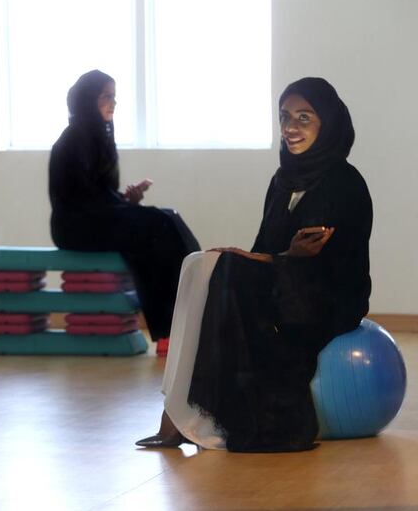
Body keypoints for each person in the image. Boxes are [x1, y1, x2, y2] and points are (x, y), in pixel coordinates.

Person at [136, 77, 371, 452]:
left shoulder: (345, 182)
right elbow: (268, 249)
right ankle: (176, 412)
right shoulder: (282, 180)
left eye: (304, 118)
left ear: (326, 122)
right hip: (286, 280)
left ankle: (195, 417)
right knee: (199, 264)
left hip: (328, 296)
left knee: (224, 269)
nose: (291, 127)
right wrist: (268, 259)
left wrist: (274, 259)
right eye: (285, 117)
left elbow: (328, 264)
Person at [48, 70, 199, 355]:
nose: (112, 103)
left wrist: (124, 199)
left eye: (114, 97)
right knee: (154, 227)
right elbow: (79, 201)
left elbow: (99, 195)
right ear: (87, 100)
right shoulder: (72, 141)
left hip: (95, 218)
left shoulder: (98, 137)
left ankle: (190, 315)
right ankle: (167, 330)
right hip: (74, 226)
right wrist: (120, 204)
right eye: (106, 96)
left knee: (167, 218)